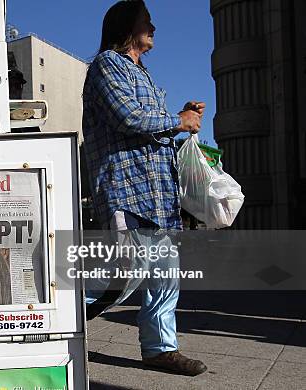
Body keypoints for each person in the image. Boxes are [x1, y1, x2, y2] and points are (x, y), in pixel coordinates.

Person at [82, 0, 207, 376]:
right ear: (127, 28)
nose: (153, 27)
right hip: (126, 190)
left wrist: (179, 117)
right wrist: (179, 121)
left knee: (166, 276)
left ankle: (160, 349)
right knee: (124, 276)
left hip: (158, 195)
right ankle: (44, 324)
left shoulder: (145, 73)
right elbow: (129, 118)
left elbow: (154, 127)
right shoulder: (106, 65)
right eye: (146, 21)